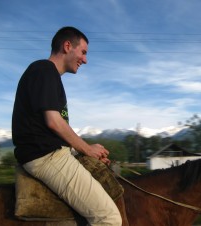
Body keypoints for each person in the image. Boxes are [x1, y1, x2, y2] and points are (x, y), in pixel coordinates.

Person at [12, 26, 122, 226]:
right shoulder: (43, 70)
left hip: (53, 152)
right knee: (109, 218)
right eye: (83, 52)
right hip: (45, 157)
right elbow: (53, 122)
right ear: (67, 46)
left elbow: (49, 128)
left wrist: (87, 150)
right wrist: (86, 149)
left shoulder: (49, 75)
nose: (85, 60)